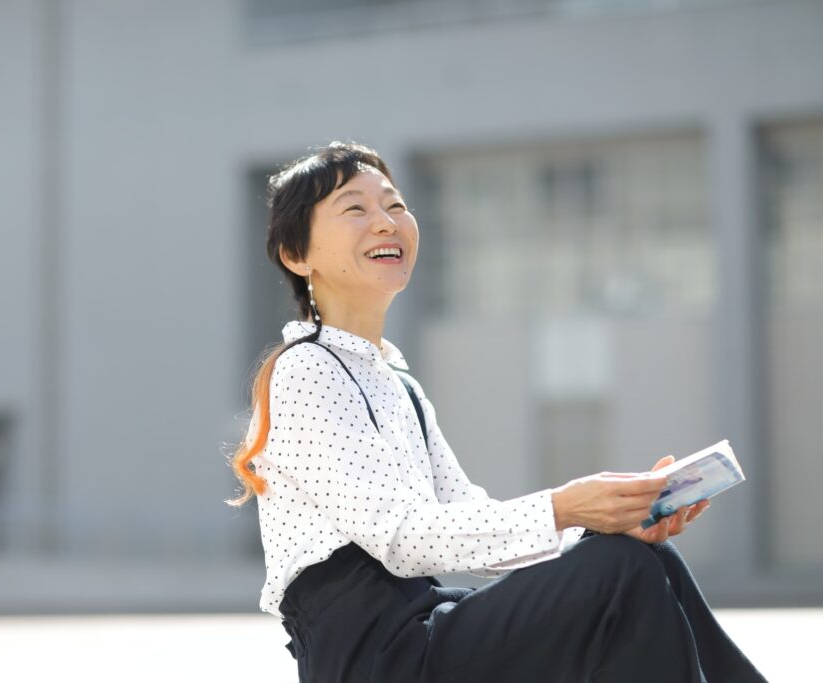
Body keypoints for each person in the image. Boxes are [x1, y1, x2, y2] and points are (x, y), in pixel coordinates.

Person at [226, 141, 766, 682]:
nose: (387, 222)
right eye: (355, 209)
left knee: (639, 558)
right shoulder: (307, 369)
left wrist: (609, 519)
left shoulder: (396, 383)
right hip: (374, 658)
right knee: (618, 571)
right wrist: (566, 507)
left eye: (395, 205)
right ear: (297, 256)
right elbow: (401, 538)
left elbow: (469, 525)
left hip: (424, 629)